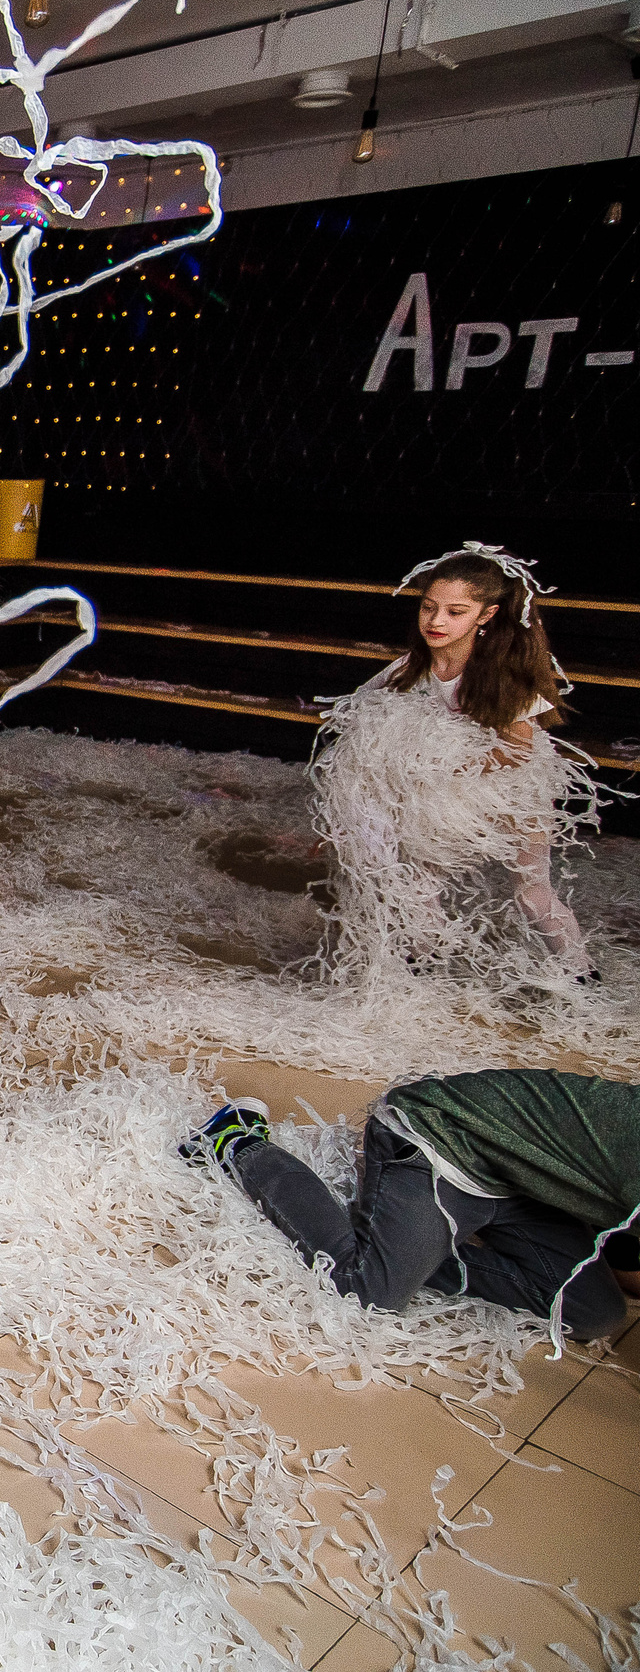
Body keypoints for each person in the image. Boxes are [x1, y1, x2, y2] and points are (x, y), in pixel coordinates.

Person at [313, 544, 596, 987]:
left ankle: (582, 975)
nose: (437, 621)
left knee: (531, 895)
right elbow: (357, 715)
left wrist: (446, 766)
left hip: (515, 793)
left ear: (486, 615)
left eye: (455, 611)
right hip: (448, 794)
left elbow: (517, 752)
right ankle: (423, 971)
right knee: (419, 887)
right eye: (429, 607)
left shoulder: (501, 673)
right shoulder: (411, 667)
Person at [182, 1072, 638, 1339]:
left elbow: (622, 1249)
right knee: (369, 1292)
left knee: (591, 1312)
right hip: (442, 1138)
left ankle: (398, 1240)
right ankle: (237, 1140)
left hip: (523, 1183)